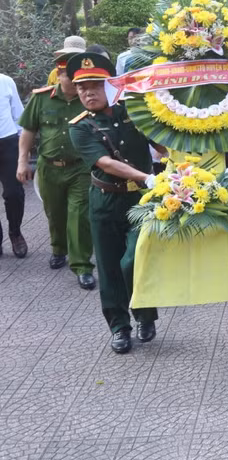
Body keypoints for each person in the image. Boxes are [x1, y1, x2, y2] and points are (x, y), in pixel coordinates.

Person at [67, 53, 162, 354]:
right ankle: (119, 327)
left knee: (134, 261)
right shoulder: (80, 127)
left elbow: (162, 141)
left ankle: (145, 315)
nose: (88, 93)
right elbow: (106, 163)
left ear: (110, 85)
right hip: (105, 201)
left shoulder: (135, 110)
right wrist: (147, 177)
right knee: (109, 269)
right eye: (82, 88)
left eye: (95, 85)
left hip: (140, 201)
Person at [16, 38, 95, 288]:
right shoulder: (41, 99)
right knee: (55, 213)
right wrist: (21, 162)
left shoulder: (91, 98)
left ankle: (82, 265)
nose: (74, 82)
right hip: (49, 167)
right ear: (59, 74)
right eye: (67, 76)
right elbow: (28, 131)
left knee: (79, 214)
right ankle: (58, 248)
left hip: (81, 167)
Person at [0, 70, 26, 258]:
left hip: (8, 142)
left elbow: (19, 114)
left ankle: (15, 233)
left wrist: (24, 148)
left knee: (14, 193)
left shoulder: (6, 81)